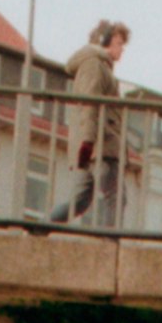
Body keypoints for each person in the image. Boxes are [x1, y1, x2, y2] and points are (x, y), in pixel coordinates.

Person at [52, 20, 132, 226]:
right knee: (116, 196)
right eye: (119, 42)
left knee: (80, 201)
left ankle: (39, 229)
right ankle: (109, 246)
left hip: (94, 147)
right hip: (99, 146)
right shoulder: (94, 65)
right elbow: (90, 104)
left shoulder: (100, 67)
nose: (122, 48)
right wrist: (88, 142)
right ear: (104, 41)